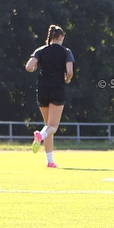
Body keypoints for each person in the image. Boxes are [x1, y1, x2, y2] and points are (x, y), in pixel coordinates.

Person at [25, 25, 74, 168]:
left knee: (48, 126)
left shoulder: (41, 50)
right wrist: (67, 79)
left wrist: (35, 68)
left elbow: (29, 67)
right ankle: (39, 136)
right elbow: (69, 71)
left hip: (42, 89)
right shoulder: (66, 51)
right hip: (57, 89)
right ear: (60, 37)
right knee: (53, 127)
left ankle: (50, 161)